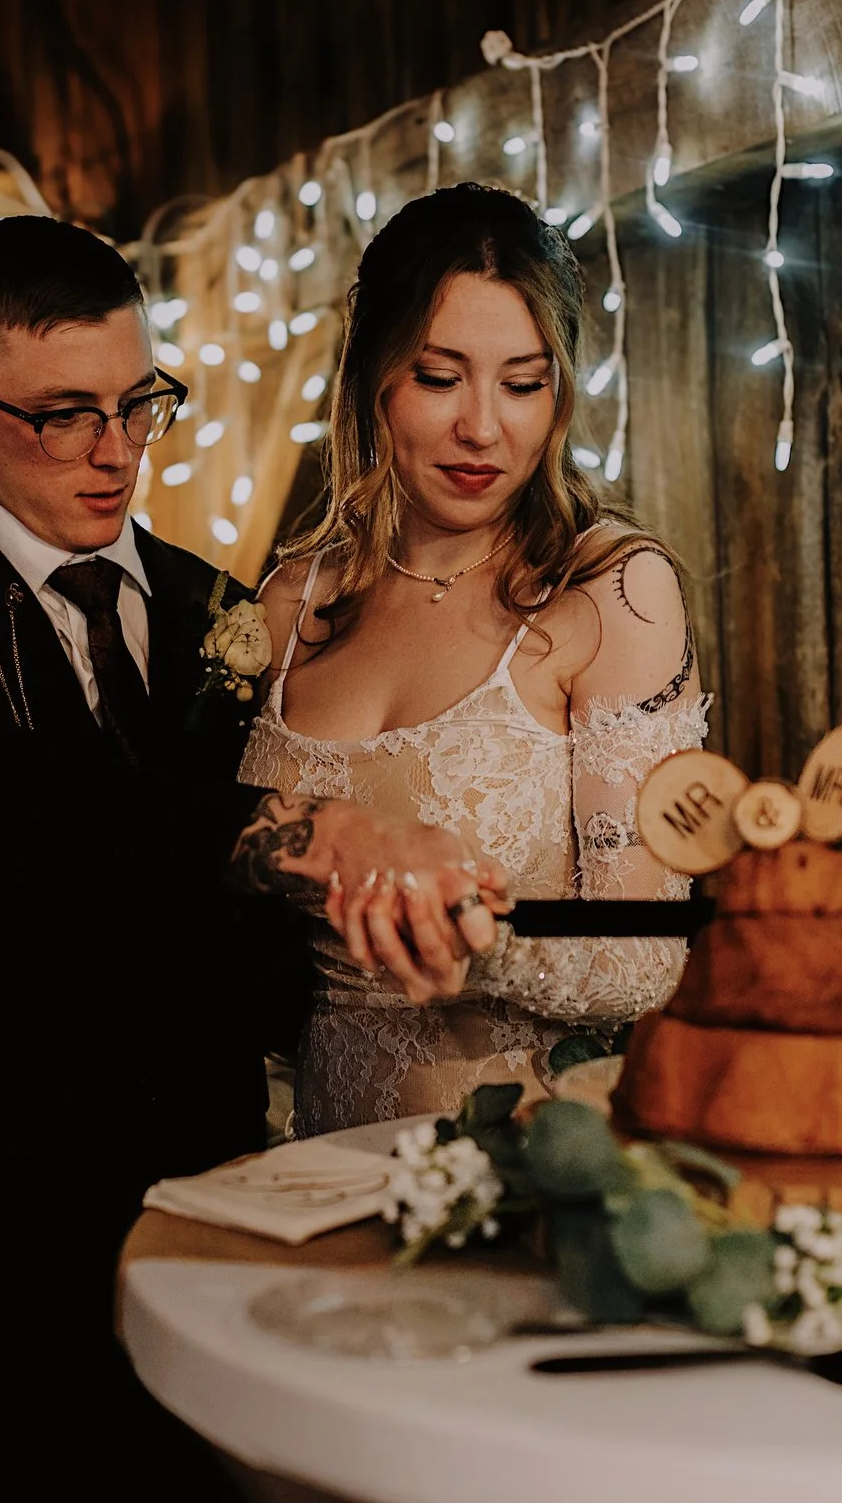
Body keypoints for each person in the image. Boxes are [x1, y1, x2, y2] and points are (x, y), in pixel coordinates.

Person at [0, 216, 505, 1473]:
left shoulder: (226, 608)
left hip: (215, 1211)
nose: (115, 453)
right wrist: (312, 834)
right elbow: (6, 810)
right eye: (62, 417)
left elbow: (246, 949)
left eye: (137, 404)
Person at [242, 183, 709, 1136]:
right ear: (373, 376)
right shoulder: (291, 600)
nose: (483, 428)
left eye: (523, 384)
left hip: (518, 1159)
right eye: (439, 376)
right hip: (314, 1160)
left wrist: (470, 938)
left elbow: (648, 956)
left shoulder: (612, 591)